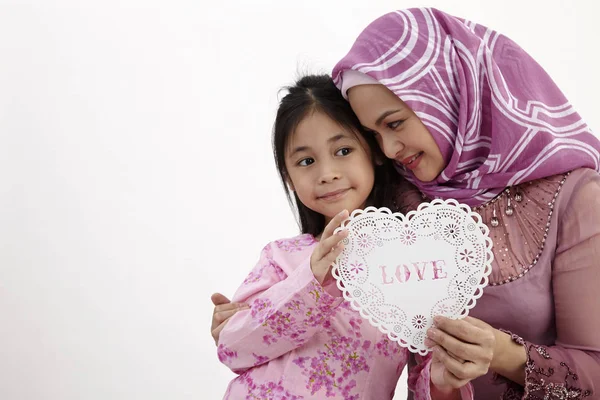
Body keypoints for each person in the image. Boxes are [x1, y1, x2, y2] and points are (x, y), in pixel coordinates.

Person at [213, 7, 600, 399]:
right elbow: (243, 338)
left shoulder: (574, 197)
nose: (389, 149)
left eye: (394, 123)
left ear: (451, 94)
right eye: (373, 135)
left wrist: (501, 354)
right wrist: (255, 318)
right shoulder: (396, 205)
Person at [215, 74, 474, 399]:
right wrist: (313, 279)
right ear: (288, 176)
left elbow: (426, 384)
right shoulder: (279, 256)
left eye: (343, 150)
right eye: (306, 161)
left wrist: (443, 380)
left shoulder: (414, 268)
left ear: (375, 151)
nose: (327, 174)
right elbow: (232, 348)